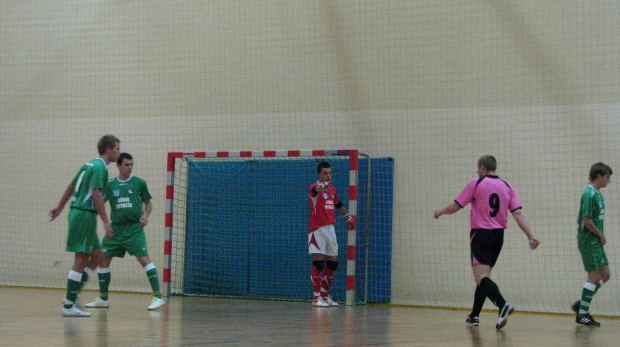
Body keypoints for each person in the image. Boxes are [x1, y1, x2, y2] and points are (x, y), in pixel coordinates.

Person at [434, 155, 540, 329]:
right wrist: (530, 236)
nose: (477, 171)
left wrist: (440, 211)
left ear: (482, 167)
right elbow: (518, 214)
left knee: (481, 276)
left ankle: (502, 305)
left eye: (478, 168)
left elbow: (455, 206)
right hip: (498, 236)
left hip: (481, 233)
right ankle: (475, 315)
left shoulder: (476, 183)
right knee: (483, 277)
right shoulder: (507, 186)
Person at [49, 134, 121, 317]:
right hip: (84, 214)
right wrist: (106, 221)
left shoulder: (88, 165)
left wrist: (60, 207)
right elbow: (97, 194)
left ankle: (72, 296)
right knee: (81, 258)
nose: (118, 153)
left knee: (99, 257)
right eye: (117, 149)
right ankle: (68, 305)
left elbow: (71, 187)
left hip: (79, 213)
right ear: (108, 150)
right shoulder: (100, 168)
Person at [84, 152, 165, 311]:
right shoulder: (110, 184)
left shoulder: (139, 183)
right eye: (126, 164)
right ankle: (103, 298)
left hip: (134, 229)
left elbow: (148, 204)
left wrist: (146, 215)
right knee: (103, 261)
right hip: (115, 230)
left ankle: (158, 297)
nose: (130, 167)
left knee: (144, 260)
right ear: (119, 166)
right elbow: (100, 202)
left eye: (131, 164)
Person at [308, 161, 356, 307]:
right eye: (325, 173)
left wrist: (347, 218)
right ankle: (316, 298)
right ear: (319, 174)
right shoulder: (314, 188)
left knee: (332, 263)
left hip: (330, 228)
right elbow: (316, 189)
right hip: (317, 229)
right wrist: (324, 185)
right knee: (319, 263)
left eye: (330, 173)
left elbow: (338, 204)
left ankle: (324, 295)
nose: (328, 175)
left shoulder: (332, 189)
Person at [570, 162, 612, 326]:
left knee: (606, 274)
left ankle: (582, 303)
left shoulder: (598, 194)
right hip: (589, 241)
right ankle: (583, 314)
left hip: (596, 242)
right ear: (599, 176)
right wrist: (600, 234)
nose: (609, 181)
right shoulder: (589, 194)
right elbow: (586, 220)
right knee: (594, 276)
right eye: (607, 177)